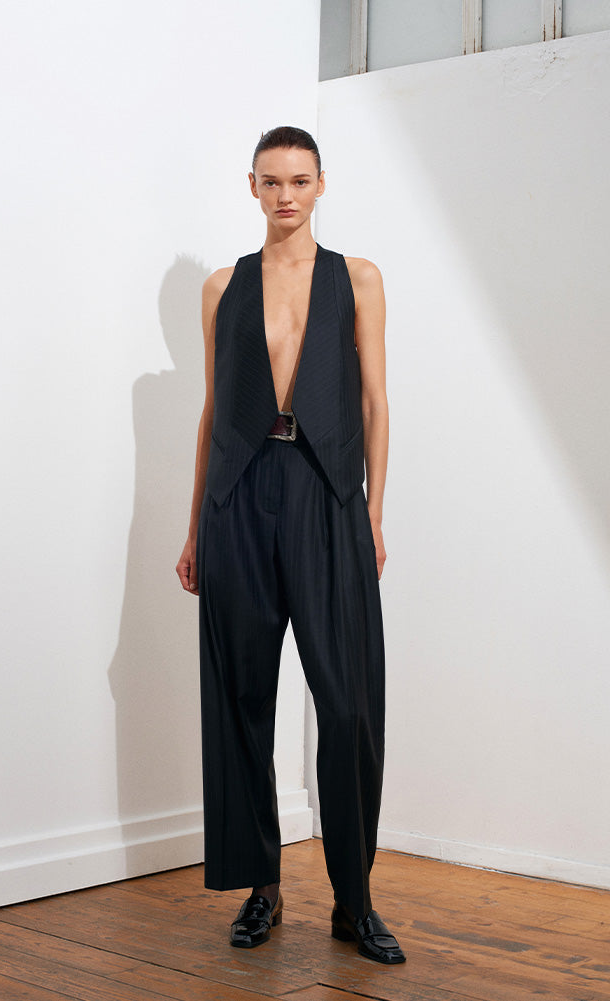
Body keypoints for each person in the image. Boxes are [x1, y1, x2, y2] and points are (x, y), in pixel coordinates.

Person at [176, 126, 405, 965]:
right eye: (271, 181)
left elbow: (375, 401)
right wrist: (195, 525)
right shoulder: (223, 286)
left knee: (347, 703)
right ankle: (261, 886)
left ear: (321, 184)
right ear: (252, 186)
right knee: (241, 697)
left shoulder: (358, 277)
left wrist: (372, 512)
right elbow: (213, 410)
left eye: (300, 180)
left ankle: (354, 899)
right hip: (238, 495)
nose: (286, 195)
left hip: (326, 492)